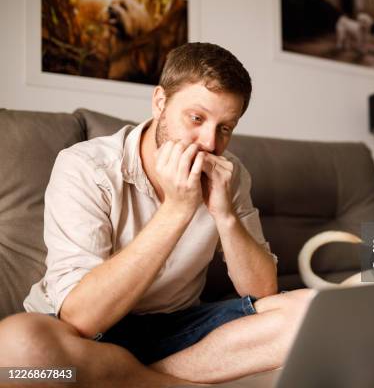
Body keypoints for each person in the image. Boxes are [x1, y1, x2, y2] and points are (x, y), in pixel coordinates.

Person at [0, 42, 314, 386]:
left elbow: (262, 291)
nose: (209, 142)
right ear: (160, 102)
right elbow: (83, 318)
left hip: (175, 328)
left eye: (225, 127)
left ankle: (139, 380)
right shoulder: (86, 166)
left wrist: (224, 215)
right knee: (15, 353)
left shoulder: (230, 174)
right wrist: (177, 209)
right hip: (83, 335)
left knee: (311, 313)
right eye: (196, 118)